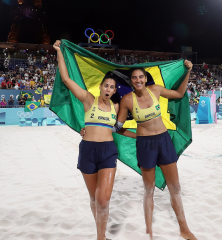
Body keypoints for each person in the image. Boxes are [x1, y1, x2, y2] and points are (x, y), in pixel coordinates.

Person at [54, 40, 135, 240]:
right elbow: (66, 79)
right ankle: (102, 235)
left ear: (115, 91)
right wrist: (59, 52)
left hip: (108, 151)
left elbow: (119, 130)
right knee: (93, 198)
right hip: (88, 151)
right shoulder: (88, 100)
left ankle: (100, 238)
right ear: (100, 87)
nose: (108, 89)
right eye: (106, 85)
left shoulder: (117, 108)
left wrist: (139, 135)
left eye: (112, 87)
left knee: (102, 200)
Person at [115, 64, 197, 239]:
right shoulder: (128, 100)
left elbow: (179, 94)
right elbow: (118, 128)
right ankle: (149, 231)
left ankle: (184, 228)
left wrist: (188, 72)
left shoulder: (156, 90)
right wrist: (135, 136)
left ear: (145, 79)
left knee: (175, 187)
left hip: (163, 140)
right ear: (131, 81)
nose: (138, 80)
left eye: (140, 77)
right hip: (145, 144)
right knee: (148, 189)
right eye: (134, 78)